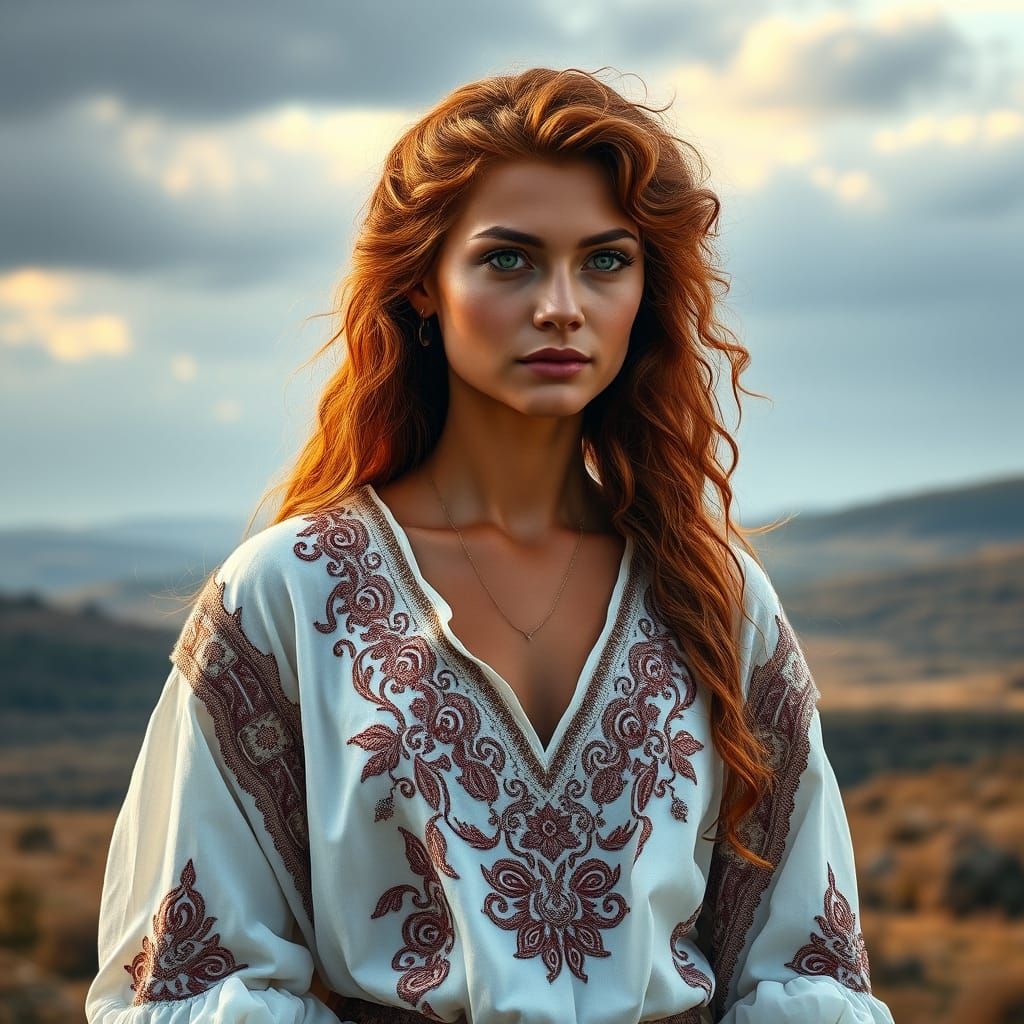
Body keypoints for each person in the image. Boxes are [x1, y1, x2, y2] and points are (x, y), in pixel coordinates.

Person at [85, 66, 896, 1024]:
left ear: (647, 288)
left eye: (606, 261)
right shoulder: (291, 592)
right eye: (509, 259)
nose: (561, 305)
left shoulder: (716, 594)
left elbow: (803, 969)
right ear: (421, 285)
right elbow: (194, 978)